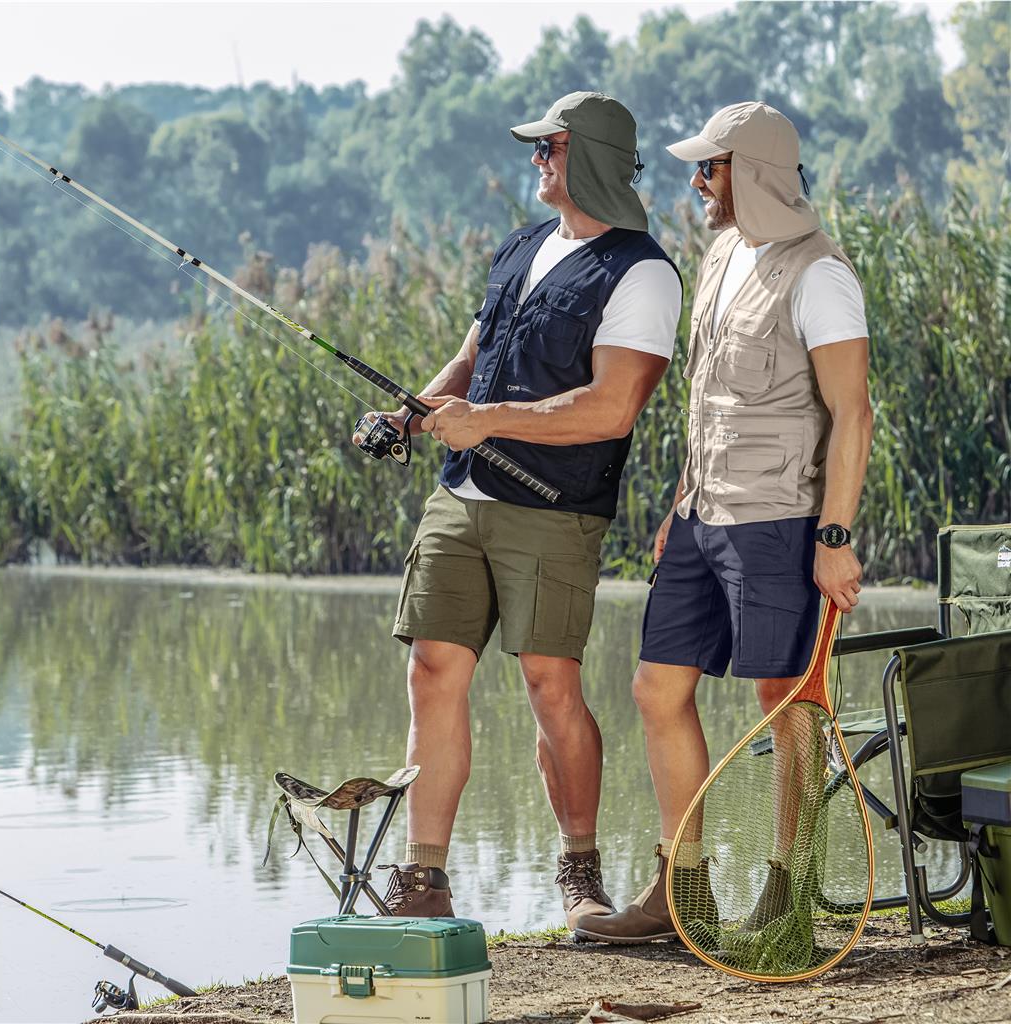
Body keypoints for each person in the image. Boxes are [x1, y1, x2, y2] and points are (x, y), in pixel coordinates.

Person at [367, 92, 682, 928]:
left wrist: (489, 421)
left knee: (550, 684)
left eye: (552, 146)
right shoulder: (522, 244)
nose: (537, 158)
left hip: (554, 510)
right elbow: (471, 360)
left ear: (593, 157)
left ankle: (580, 872)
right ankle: (423, 881)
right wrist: (411, 414)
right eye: (537, 147)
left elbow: (613, 407)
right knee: (431, 669)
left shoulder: (642, 272)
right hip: (459, 493)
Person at [574, 101, 872, 944]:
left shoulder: (821, 274)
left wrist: (835, 538)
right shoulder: (722, 253)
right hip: (702, 515)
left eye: (710, 167)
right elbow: (709, 397)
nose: (697, 181)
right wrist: (681, 501)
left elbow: (854, 414)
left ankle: (788, 897)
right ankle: (683, 894)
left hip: (782, 520)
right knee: (656, 687)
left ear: (754, 172)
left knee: (786, 700)